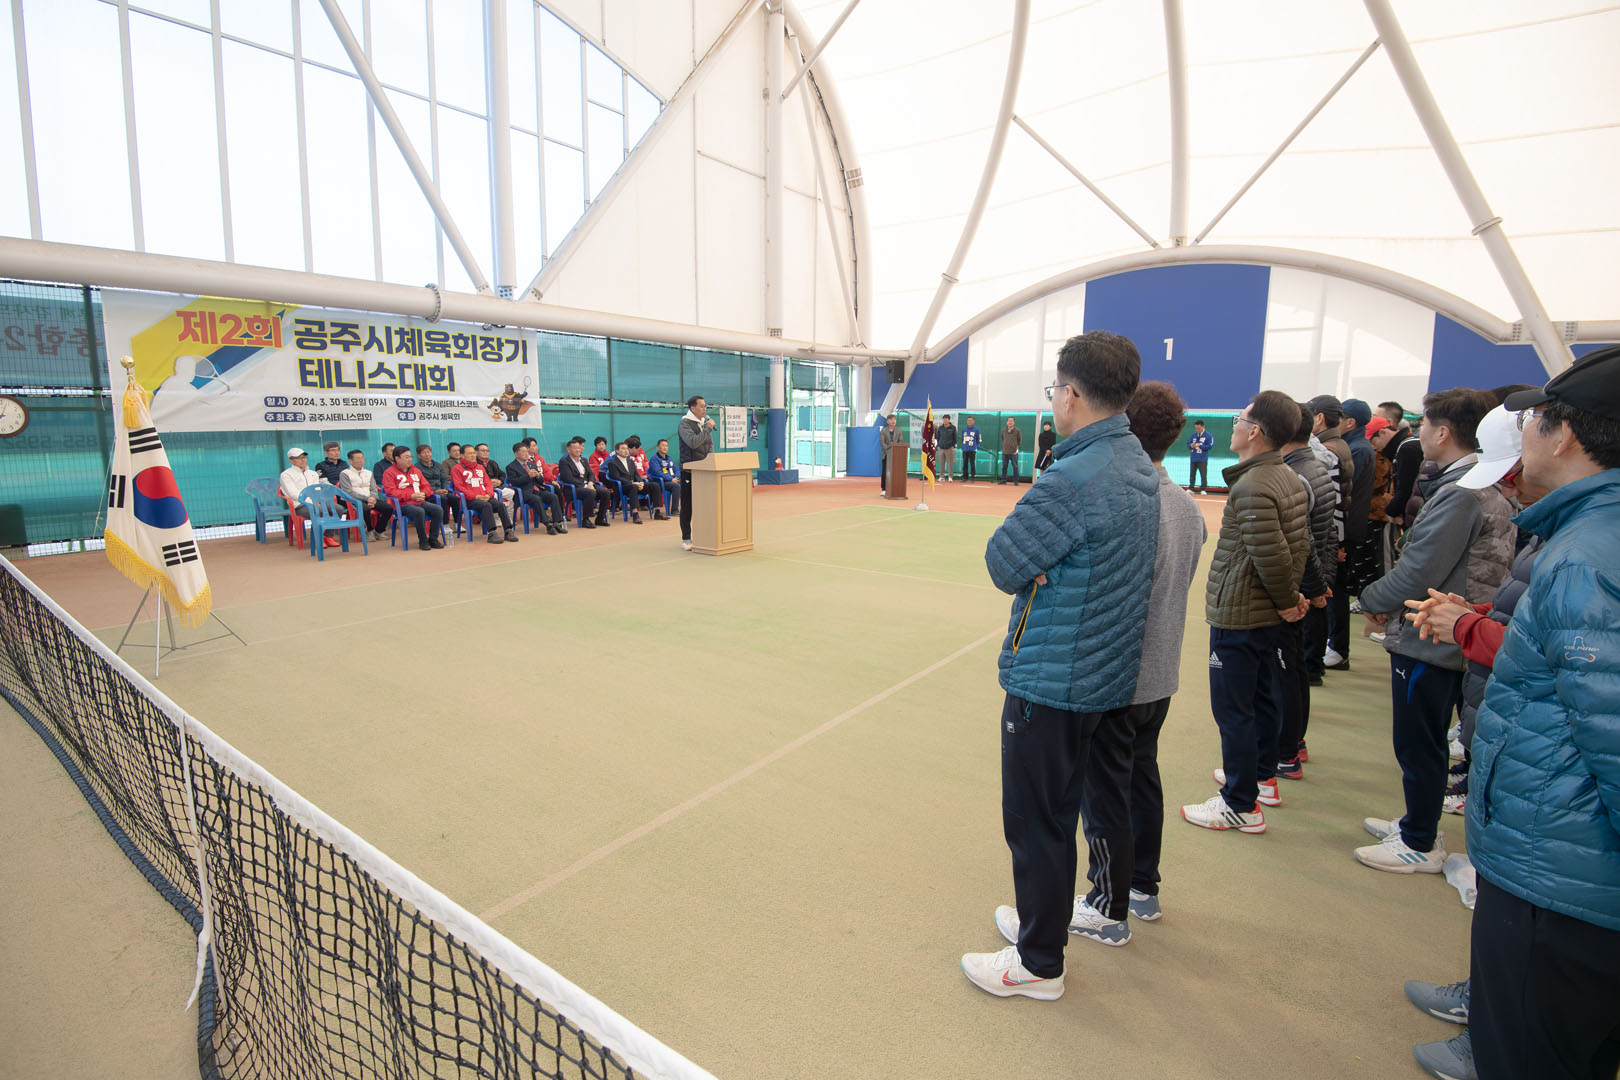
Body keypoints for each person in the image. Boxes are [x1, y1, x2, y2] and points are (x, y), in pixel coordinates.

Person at [1408, 347, 1620, 1080]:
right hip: (1565, 859)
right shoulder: (1586, 537)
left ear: (1565, 435)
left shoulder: (1587, 556)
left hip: (1560, 868)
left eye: (1534, 420)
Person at [959, 329, 1159, 1001]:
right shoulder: (1136, 464)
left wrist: (1042, 564)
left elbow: (1003, 562)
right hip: (1108, 672)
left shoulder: (1072, 477)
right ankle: (1046, 921)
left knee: (1037, 820)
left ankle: (1038, 962)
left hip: (1055, 676)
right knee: (1078, 809)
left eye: (1054, 391)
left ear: (1070, 395)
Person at [1353, 388, 1514, 875]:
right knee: (1425, 738)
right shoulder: (1474, 485)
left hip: (1433, 639)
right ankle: (1416, 822)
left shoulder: (1462, 492)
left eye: (1423, 423)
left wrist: (1370, 601)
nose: (1417, 431)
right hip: (1444, 633)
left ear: (1443, 432)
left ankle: (1419, 840)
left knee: (1419, 740)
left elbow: (1418, 572)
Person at [1086, 380, 1205, 926]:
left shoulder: (1127, 502)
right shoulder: (1187, 507)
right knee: (1141, 777)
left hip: (1120, 674)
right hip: (1161, 672)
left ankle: (1106, 904)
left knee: (1106, 790)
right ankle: (1140, 886)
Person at [1179, 391, 1311, 836]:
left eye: (1240, 418)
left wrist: (1287, 600)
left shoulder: (1254, 485)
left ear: (1255, 431)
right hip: (1261, 611)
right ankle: (1259, 778)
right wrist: (1289, 598)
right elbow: (1297, 545)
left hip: (1242, 613)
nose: (1234, 425)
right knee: (1259, 700)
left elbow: (1270, 554)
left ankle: (1240, 802)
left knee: (1234, 710)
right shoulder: (1285, 477)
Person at [1278, 403, 1337, 777]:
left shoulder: (1295, 475)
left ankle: (1285, 751)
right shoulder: (1315, 467)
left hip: (1294, 588)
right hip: (1305, 583)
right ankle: (1294, 743)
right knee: (1294, 667)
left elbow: (1305, 540)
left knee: (1285, 670)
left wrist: (1313, 587)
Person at [1307, 395, 1354, 670]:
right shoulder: (1338, 446)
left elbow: (1336, 502)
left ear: (1319, 417)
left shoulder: (1328, 451)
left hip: (1329, 539)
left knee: (1327, 596)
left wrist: (1339, 542)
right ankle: (1329, 649)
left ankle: (1330, 650)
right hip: (1334, 536)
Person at [380, 446, 445, 549]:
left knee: (438, 509)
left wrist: (423, 494)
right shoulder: (389, 473)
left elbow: (427, 487)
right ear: (397, 458)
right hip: (402, 505)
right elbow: (390, 492)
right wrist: (410, 496)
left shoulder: (416, 470)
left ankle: (433, 539)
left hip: (419, 501)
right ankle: (423, 541)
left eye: (410, 457)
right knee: (419, 511)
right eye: (406, 457)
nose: (410, 459)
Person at [452, 443, 517, 544]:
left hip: (485, 497)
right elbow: (459, 487)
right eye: (469, 453)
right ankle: (492, 533)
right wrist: (476, 496)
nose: (472, 455)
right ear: (462, 456)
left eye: (473, 453)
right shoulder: (456, 469)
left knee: (500, 505)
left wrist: (488, 494)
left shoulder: (480, 467)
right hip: (469, 500)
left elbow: (488, 483)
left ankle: (508, 531)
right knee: (486, 506)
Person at [278, 447, 342, 547]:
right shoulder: (286, 475)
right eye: (299, 458)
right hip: (299, 505)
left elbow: (317, 490)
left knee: (338, 509)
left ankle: (328, 536)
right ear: (291, 461)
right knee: (320, 510)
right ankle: (317, 538)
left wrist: (318, 500)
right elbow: (293, 494)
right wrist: (312, 502)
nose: (303, 460)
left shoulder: (312, 473)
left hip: (317, 502)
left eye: (304, 457)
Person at [505, 442, 566, 535]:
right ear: (516, 454)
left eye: (527, 452)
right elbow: (514, 482)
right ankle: (548, 525)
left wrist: (538, 475)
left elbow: (541, 481)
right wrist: (528, 476)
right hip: (523, 493)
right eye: (523, 452)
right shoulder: (511, 467)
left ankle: (557, 523)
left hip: (536, 490)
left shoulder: (532, 465)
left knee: (553, 496)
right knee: (537, 499)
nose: (526, 454)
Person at [678, 397, 715, 548]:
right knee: (688, 506)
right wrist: (707, 428)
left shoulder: (703, 423)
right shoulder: (685, 424)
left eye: (705, 406)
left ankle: (705, 535)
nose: (705, 409)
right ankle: (686, 538)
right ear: (693, 408)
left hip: (705, 470)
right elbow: (693, 443)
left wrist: (712, 461)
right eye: (702, 406)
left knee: (706, 504)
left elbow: (709, 445)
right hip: (690, 471)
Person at [338, 448, 393, 541]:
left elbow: (374, 488)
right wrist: (367, 499)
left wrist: (373, 498)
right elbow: (348, 492)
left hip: (370, 498)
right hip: (354, 500)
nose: (361, 460)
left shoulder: (368, 473)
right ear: (350, 461)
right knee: (365, 508)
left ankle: (379, 531)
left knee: (388, 508)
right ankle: (369, 531)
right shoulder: (345, 474)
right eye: (358, 458)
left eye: (362, 458)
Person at [558, 436, 612, 529]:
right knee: (590, 492)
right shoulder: (564, 461)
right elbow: (568, 478)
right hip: (573, 489)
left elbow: (591, 474)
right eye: (575, 448)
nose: (578, 450)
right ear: (568, 449)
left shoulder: (584, 460)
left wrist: (590, 483)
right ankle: (586, 520)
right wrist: (585, 486)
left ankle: (600, 518)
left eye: (579, 448)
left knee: (605, 492)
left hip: (587, 486)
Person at [414, 444, 459, 531]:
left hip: (442, 491)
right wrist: (435, 491)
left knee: (455, 499)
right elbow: (420, 484)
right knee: (443, 499)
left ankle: (457, 524)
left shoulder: (438, 465)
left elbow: (444, 479)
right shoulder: (416, 468)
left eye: (428, 452)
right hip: (429, 493)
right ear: (419, 456)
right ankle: (444, 525)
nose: (427, 455)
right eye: (424, 453)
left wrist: (445, 489)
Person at [605, 441, 651, 524]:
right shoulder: (612, 463)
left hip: (634, 485)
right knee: (633, 487)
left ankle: (657, 511)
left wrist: (641, 482)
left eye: (626, 448)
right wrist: (632, 483)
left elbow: (636, 475)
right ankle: (635, 514)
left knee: (653, 485)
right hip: (622, 487)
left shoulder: (631, 462)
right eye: (623, 449)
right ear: (617, 451)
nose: (626, 450)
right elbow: (616, 477)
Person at [475, 443, 518, 520]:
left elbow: (502, 474)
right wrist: (489, 482)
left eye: (487, 451)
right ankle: (496, 519)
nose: (485, 452)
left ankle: (508, 517)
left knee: (511, 493)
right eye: (483, 450)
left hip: (497, 486)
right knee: (495, 496)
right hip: (484, 489)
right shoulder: (475, 464)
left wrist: (499, 481)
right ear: (476, 452)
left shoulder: (492, 463)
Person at [648, 438, 681, 516]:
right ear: (658, 447)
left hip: (672, 480)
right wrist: (671, 479)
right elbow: (657, 473)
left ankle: (687, 508)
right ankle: (674, 510)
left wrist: (676, 477)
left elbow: (677, 470)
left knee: (686, 483)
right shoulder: (654, 459)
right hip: (661, 482)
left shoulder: (669, 459)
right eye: (663, 445)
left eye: (666, 446)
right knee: (676, 486)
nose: (665, 448)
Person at [1187, 419, 1213, 493]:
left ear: (1203, 427)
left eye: (1198, 428)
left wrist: (1200, 446)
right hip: (1193, 458)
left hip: (1202, 459)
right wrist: (1191, 446)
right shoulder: (1193, 435)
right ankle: (1191, 488)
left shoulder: (1208, 436)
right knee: (1192, 474)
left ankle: (1203, 489)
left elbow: (1210, 446)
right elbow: (1188, 444)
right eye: (1196, 428)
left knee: (1203, 475)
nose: (1197, 430)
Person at [879, 414, 900, 494]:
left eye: (894, 419)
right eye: (891, 420)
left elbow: (900, 441)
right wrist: (889, 450)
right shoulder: (883, 431)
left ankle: (895, 488)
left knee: (895, 472)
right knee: (885, 472)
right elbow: (883, 443)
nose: (893, 421)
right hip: (886, 454)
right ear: (887, 421)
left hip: (896, 454)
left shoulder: (899, 430)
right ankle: (884, 489)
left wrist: (895, 451)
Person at [999, 417, 1022, 484]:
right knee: (1004, 466)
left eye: (1011, 421)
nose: (1010, 422)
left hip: (1014, 452)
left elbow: (1019, 440)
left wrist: (1015, 447)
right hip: (1005, 451)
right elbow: (1003, 438)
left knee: (1015, 466)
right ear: (1007, 422)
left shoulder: (1018, 431)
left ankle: (1016, 481)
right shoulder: (1003, 430)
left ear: (1014, 422)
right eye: (1009, 421)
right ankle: (1003, 480)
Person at [936, 414, 958, 482]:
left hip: (949, 448)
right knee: (941, 463)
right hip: (941, 448)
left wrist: (953, 446)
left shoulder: (953, 428)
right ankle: (942, 477)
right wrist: (938, 446)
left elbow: (955, 438)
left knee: (950, 463)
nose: (945, 420)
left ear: (949, 420)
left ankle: (950, 477)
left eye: (946, 419)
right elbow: (938, 437)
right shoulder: (940, 428)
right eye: (944, 419)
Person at [960, 416, 981, 482]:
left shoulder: (977, 430)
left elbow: (979, 439)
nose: (969, 422)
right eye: (968, 420)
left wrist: (976, 447)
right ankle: (965, 477)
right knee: (964, 463)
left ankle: (972, 477)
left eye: (971, 420)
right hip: (965, 449)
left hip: (972, 450)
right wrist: (963, 446)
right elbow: (962, 439)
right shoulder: (964, 429)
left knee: (972, 463)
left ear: (973, 421)